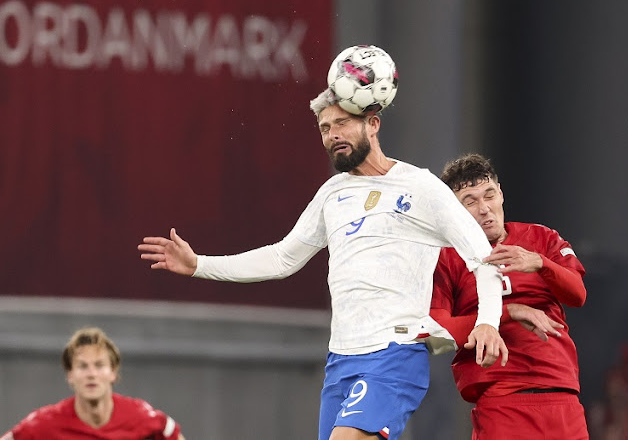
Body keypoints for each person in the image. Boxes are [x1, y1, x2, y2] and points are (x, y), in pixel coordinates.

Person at [138, 88, 508, 440]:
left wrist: (488, 321)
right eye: (325, 128)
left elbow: (484, 258)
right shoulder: (332, 193)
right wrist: (200, 264)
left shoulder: (422, 188)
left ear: (373, 123)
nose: (332, 135)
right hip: (341, 360)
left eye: (342, 123)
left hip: (394, 354)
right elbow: (283, 257)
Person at [430, 153, 589, 439]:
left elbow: (577, 294)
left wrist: (541, 263)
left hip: (561, 392)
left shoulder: (542, 238)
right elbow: (435, 330)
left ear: (500, 193)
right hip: (500, 397)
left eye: (489, 195)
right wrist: (509, 312)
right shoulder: (446, 259)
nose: (484, 209)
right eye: (470, 201)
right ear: (454, 210)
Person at [1, 327, 185, 440]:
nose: (91, 374)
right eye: (82, 366)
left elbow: (171, 433)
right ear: (70, 375)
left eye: (99, 365)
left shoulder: (140, 415)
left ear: (113, 372)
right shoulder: (45, 423)